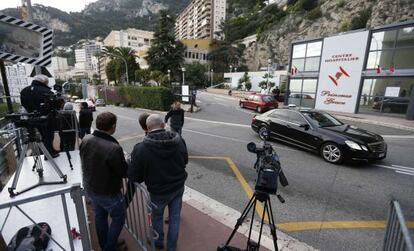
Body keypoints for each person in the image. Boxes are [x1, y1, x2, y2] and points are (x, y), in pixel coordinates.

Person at [128, 114, 188, 251]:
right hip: (178, 187)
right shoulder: (179, 141)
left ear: (148, 128)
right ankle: (172, 247)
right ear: (163, 125)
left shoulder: (141, 148)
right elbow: (185, 160)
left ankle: (158, 241)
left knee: (156, 218)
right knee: (175, 218)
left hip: (157, 192)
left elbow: (134, 176)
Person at [80, 112, 128, 251]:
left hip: (92, 188)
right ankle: (109, 246)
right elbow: (123, 172)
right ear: (113, 126)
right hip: (108, 192)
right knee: (118, 218)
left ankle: (105, 244)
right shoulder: (113, 148)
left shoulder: (86, 139)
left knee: (100, 218)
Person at [20, 74, 58, 158]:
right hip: (46, 118)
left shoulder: (24, 91)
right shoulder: (46, 91)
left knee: (40, 136)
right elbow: (52, 105)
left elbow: (23, 104)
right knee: (48, 136)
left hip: (31, 118)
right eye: (47, 82)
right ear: (43, 82)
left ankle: (48, 151)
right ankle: (49, 153)